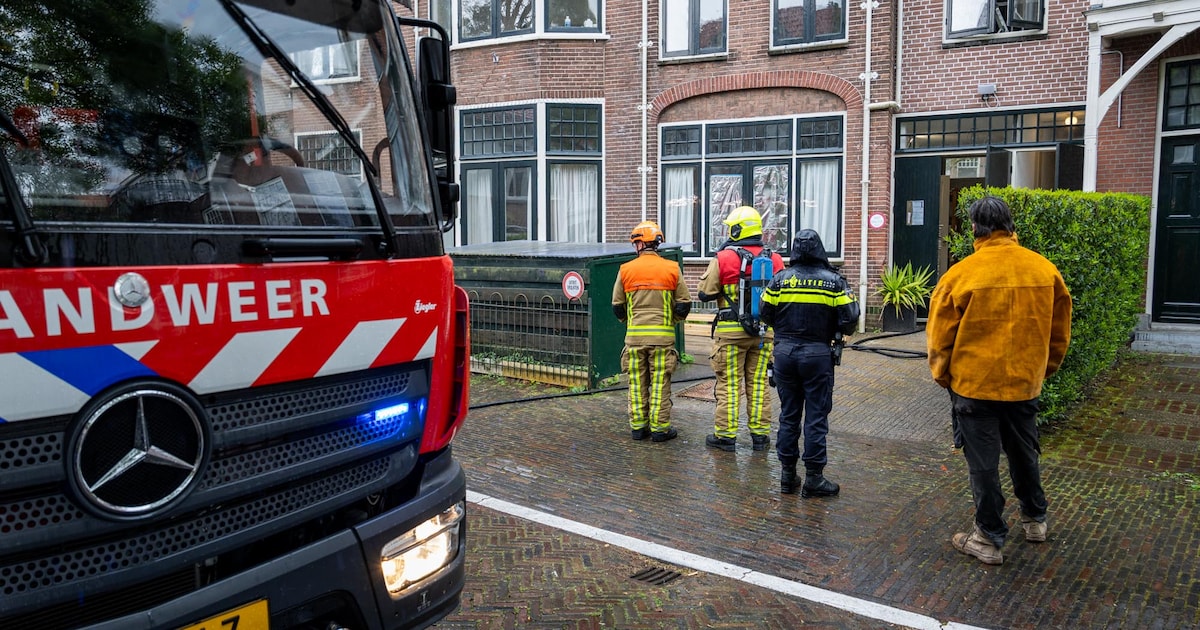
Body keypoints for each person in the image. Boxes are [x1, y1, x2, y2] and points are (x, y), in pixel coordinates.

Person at [926, 196, 1072, 566]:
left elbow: (939, 340)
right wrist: (1043, 368)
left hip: (975, 386)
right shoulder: (1044, 270)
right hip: (1024, 382)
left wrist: (945, 377)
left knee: (984, 463)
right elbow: (1059, 333)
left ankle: (988, 538)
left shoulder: (961, 275)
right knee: (1025, 452)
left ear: (975, 228)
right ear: (1010, 226)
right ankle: (1035, 519)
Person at [759, 229, 859, 497]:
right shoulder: (835, 282)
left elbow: (764, 312)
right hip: (817, 355)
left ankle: (787, 476)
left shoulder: (779, 280)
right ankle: (814, 478)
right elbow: (850, 318)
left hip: (784, 354)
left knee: (788, 415)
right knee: (815, 417)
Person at [697, 206, 785, 452]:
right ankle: (760, 437)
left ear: (737, 229)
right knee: (758, 384)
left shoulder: (724, 258)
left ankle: (725, 437)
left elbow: (704, 293)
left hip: (730, 336)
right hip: (763, 334)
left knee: (730, 385)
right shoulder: (775, 259)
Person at [612, 220, 692, 442]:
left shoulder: (626, 270)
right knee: (660, 383)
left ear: (639, 244)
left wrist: (631, 322)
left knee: (637, 382)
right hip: (663, 339)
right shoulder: (671, 268)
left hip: (635, 339)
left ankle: (638, 428)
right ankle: (660, 430)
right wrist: (671, 321)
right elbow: (684, 304)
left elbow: (617, 306)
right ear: (657, 243)